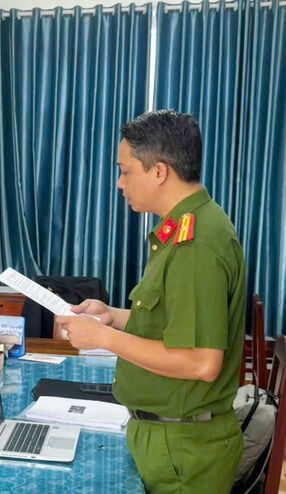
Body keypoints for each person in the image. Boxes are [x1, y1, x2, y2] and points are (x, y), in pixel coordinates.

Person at [55, 110, 245, 493]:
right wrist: (111, 317)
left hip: (182, 450)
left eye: (126, 171)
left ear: (159, 172)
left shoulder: (195, 244)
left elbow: (201, 362)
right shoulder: (184, 229)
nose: (119, 183)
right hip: (171, 439)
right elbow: (170, 323)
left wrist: (104, 338)